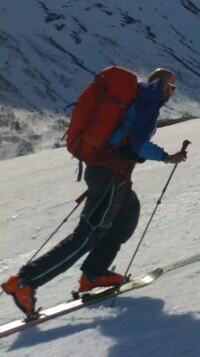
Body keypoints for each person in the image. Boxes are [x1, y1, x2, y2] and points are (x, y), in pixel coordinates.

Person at [3, 68, 188, 318]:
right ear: (164, 85)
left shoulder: (137, 97)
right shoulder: (149, 101)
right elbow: (138, 144)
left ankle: (95, 273)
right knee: (87, 234)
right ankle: (26, 282)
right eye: (172, 88)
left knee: (126, 216)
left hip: (110, 173)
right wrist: (167, 157)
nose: (172, 93)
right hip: (109, 173)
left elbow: (124, 138)